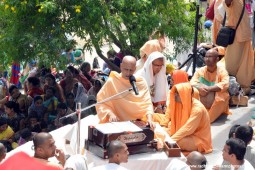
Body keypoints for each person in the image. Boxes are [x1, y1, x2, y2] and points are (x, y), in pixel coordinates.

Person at [153, 83, 212, 153]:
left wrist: (170, 139)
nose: (175, 95)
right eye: (175, 92)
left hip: (198, 139)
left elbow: (187, 129)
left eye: (178, 93)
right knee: (158, 131)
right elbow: (171, 119)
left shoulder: (198, 109)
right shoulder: (179, 103)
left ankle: (164, 145)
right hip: (182, 133)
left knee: (179, 141)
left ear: (185, 94)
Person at [96, 56, 154, 125]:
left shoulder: (140, 82)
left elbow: (147, 104)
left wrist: (149, 119)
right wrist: (110, 114)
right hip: (118, 123)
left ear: (135, 69)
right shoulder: (112, 82)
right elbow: (102, 102)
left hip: (139, 123)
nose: (128, 73)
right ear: (121, 66)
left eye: (131, 70)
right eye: (126, 69)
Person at [190, 48, 230, 123]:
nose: (207, 59)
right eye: (206, 56)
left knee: (222, 95)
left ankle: (207, 117)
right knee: (193, 90)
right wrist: (199, 88)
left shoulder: (222, 71)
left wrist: (209, 89)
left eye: (210, 57)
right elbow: (192, 82)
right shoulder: (200, 70)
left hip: (216, 100)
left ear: (217, 59)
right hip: (202, 97)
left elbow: (225, 84)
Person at [224, 0, 255, 95]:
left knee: (246, 65)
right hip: (236, 38)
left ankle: (243, 88)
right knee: (232, 64)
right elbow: (227, 3)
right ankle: (229, 86)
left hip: (246, 36)